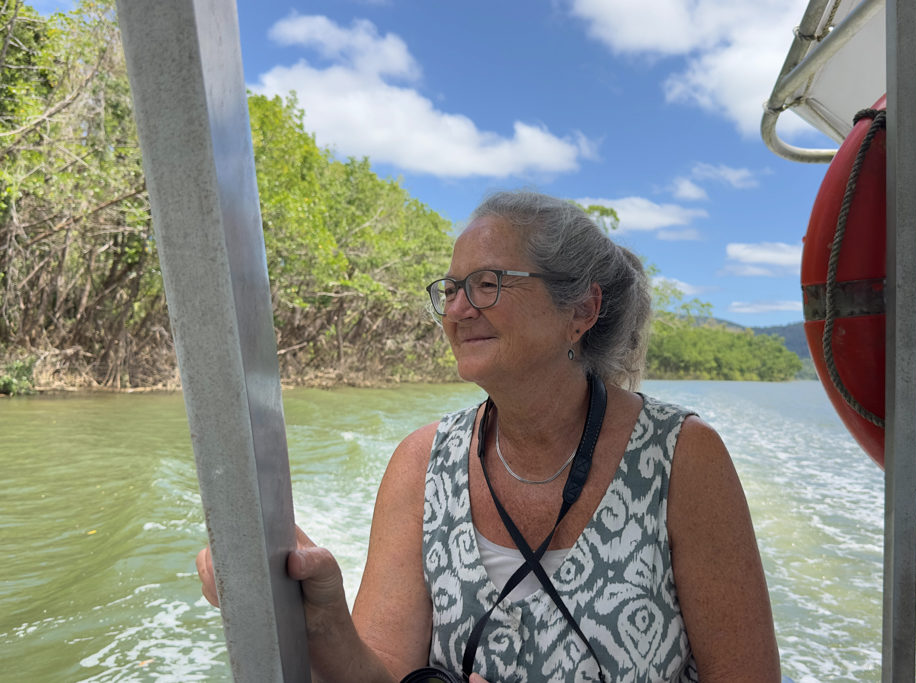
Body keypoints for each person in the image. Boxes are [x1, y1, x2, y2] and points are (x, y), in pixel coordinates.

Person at [197, 190, 780, 682]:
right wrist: (317, 618)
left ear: (580, 309)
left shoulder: (682, 458)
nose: (458, 310)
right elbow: (381, 674)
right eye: (450, 290)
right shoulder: (420, 464)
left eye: (487, 283)